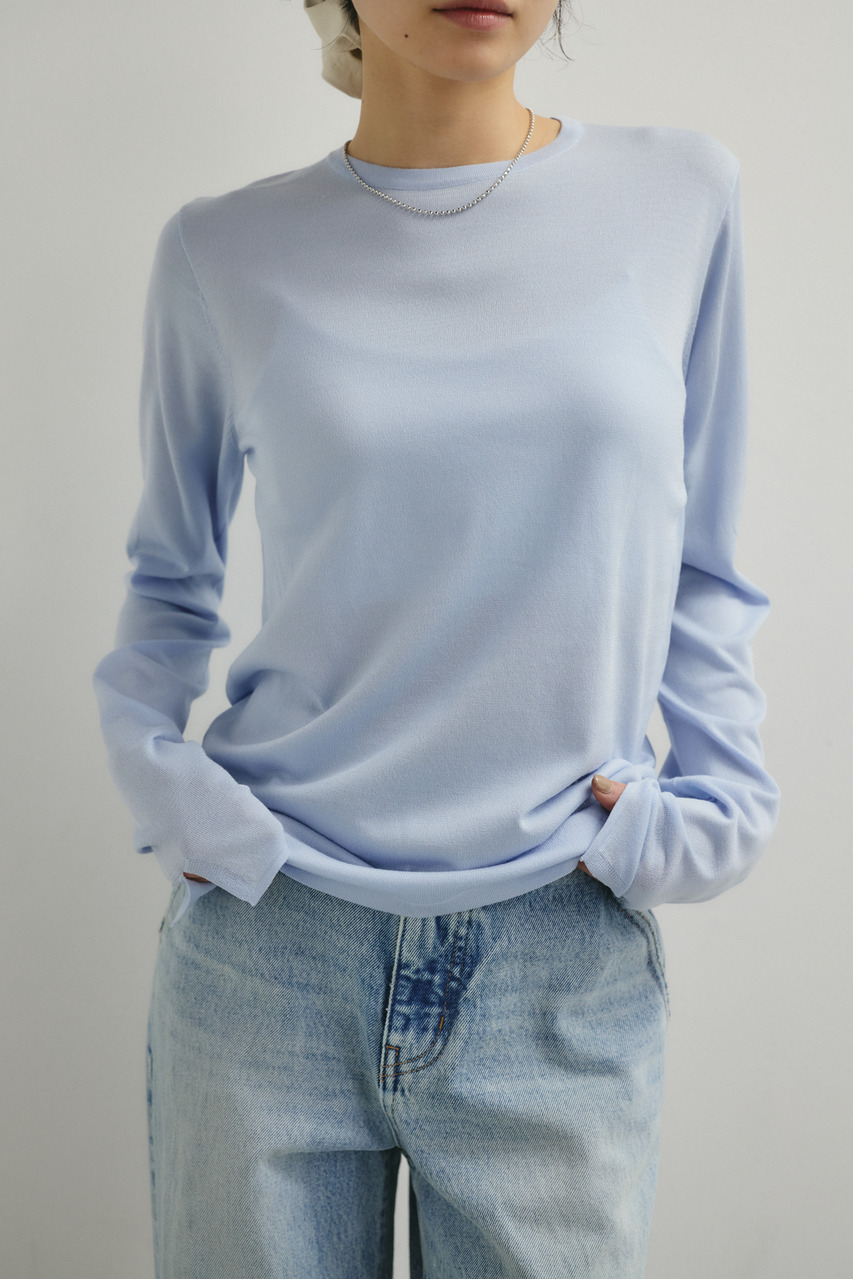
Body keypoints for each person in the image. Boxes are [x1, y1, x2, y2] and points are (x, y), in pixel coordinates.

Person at [93, 1, 780, 1276]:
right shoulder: (222, 248)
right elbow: (168, 577)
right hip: (270, 946)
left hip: (559, 938)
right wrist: (171, 791)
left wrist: (717, 807)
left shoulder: (682, 194)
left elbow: (708, 559)